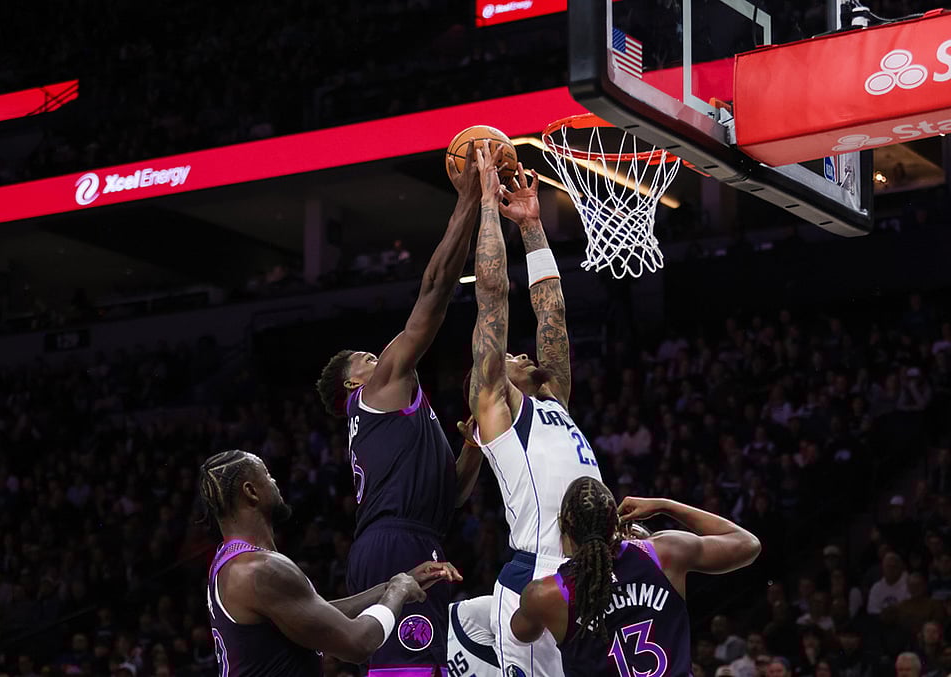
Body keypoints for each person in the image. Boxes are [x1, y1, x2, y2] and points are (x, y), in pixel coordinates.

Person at [314, 141, 488, 675]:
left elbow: (451, 494)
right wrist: (468, 202)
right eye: (368, 356)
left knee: (421, 667)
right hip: (394, 542)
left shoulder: (397, 417)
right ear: (352, 383)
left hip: (414, 533)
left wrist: (473, 442)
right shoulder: (378, 390)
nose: (381, 354)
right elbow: (434, 291)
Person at [465, 146, 603, 675]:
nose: (521, 353)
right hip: (534, 576)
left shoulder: (554, 401)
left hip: (589, 569)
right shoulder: (495, 409)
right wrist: (484, 205)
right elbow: (493, 299)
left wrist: (531, 225)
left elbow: (553, 313)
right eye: (510, 355)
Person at [197, 450, 461, 677]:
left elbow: (316, 613)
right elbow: (358, 643)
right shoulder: (260, 570)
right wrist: (398, 593)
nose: (274, 480)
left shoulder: (230, 562)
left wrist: (393, 583)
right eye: (266, 474)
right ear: (251, 492)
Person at [509, 477, 761, 677]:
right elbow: (748, 544)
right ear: (616, 523)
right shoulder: (663, 553)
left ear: (563, 524)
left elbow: (520, 634)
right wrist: (665, 505)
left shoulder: (546, 594)